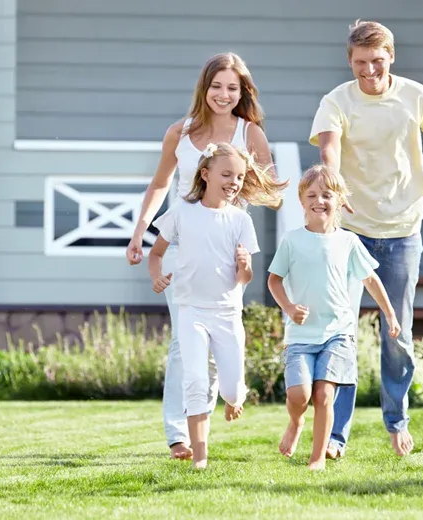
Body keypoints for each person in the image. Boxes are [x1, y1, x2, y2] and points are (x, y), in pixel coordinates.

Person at [308, 20, 423, 458]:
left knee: (398, 333)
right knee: (340, 333)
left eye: (376, 61)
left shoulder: (416, 95)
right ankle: (336, 435)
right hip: (351, 231)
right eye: (360, 63)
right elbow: (328, 148)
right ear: (349, 61)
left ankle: (397, 421)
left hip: (403, 230)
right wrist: (336, 186)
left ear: (391, 56)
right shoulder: (337, 100)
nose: (369, 71)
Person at [126, 53, 279, 461]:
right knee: (184, 341)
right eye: (216, 86)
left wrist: (233, 195)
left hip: (225, 253)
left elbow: (270, 188)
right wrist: (141, 229)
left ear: (242, 92)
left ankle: (204, 422)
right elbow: (160, 184)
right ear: (204, 88)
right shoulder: (179, 132)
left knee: (215, 344)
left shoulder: (251, 135)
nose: (223, 95)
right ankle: (180, 434)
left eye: (232, 88)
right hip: (179, 247)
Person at [148, 142, 287, 469]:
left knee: (231, 389)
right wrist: (157, 276)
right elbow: (155, 253)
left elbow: (245, 278)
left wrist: (244, 265)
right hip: (191, 311)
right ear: (205, 174)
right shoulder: (182, 211)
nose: (234, 182)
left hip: (227, 314)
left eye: (239, 176)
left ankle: (235, 398)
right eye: (227, 174)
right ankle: (200, 457)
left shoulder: (240, 220)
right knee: (194, 379)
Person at [268, 165, 400, 470]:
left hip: (337, 333)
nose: (319, 200)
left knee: (324, 394)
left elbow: (371, 280)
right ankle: (295, 421)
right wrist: (288, 307)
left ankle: (317, 458)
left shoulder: (348, 242)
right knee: (299, 396)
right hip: (300, 334)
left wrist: (390, 315)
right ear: (302, 201)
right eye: (312, 195)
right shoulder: (291, 240)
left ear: (340, 200)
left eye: (327, 195)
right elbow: (274, 280)